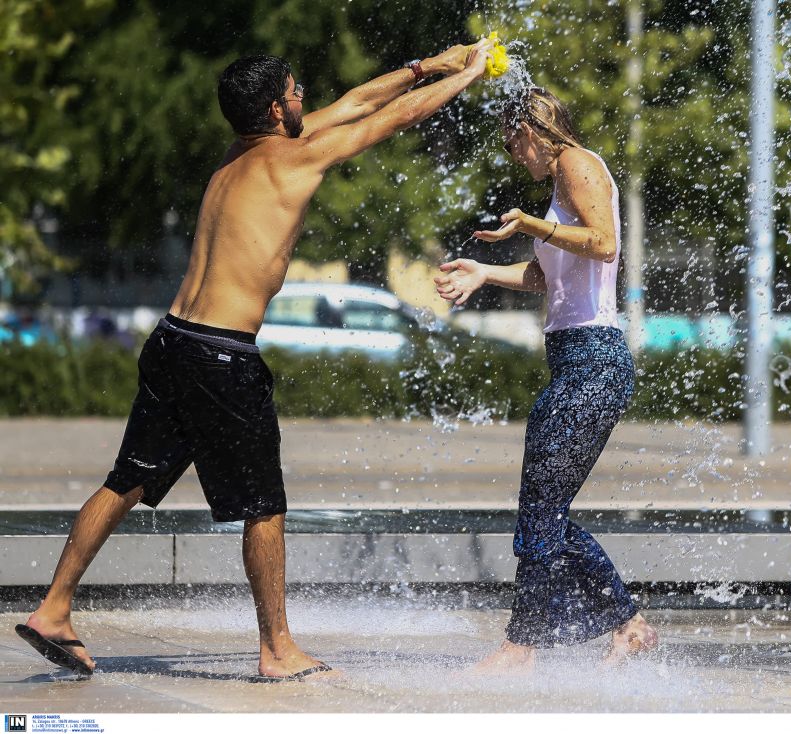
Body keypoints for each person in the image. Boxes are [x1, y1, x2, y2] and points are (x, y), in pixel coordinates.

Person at [16, 39, 495, 683]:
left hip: (173, 340)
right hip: (220, 355)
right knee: (264, 507)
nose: (306, 98)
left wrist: (423, 67)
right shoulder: (293, 160)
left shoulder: (237, 157)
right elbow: (389, 120)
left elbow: (356, 101)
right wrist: (465, 77)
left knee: (125, 480)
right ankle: (277, 651)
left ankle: (53, 609)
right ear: (276, 109)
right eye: (296, 91)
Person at [434, 87, 658, 672]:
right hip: (573, 360)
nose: (513, 154)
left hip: (595, 359)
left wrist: (534, 222)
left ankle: (522, 645)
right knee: (545, 505)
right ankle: (625, 624)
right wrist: (484, 272)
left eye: (514, 142)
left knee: (541, 504)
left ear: (534, 129)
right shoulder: (557, 184)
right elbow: (547, 275)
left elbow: (605, 245)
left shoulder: (578, 163)